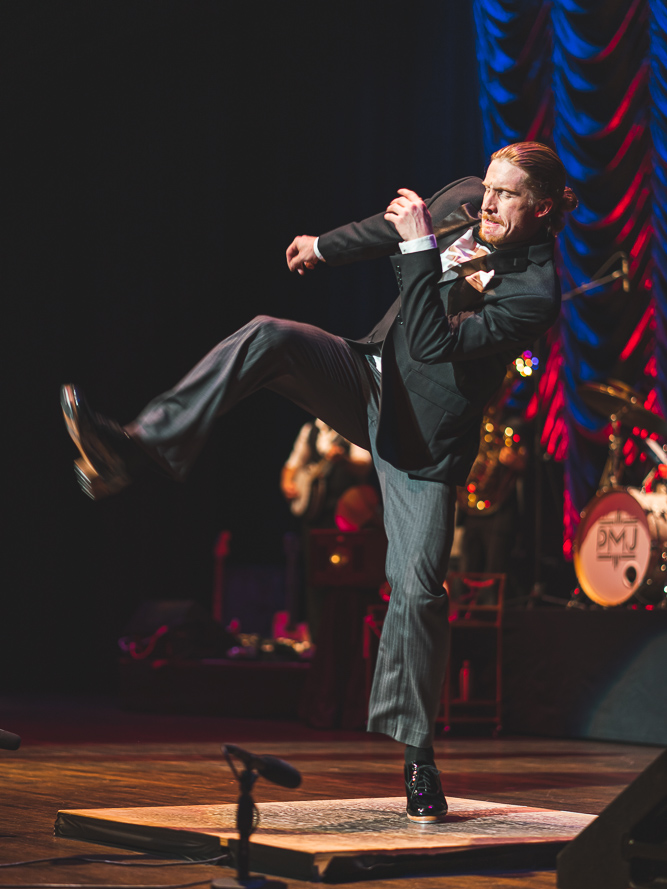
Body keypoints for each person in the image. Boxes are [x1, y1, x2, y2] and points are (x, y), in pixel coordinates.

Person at [61, 141, 577, 823]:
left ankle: (418, 759)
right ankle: (132, 447)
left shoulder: (534, 293)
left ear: (541, 209)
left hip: (422, 438)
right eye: (488, 186)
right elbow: (386, 228)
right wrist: (322, 247)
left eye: (506, 195)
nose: (486, 202)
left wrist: (419, 249)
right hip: (366, 376)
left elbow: (431, 343)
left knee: (419, 592)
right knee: (268, 335)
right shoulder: (463, 201)